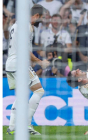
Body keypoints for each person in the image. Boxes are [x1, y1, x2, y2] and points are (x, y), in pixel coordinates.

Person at [6, 4, 50, 135]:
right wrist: (40, 62)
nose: (40, 22)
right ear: (36, 16)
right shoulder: (27, 27)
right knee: (39, 91)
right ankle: (26, 124)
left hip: (10, 64)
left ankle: (12, 126)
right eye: (40, 18)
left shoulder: (17, 24)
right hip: (19, 64)